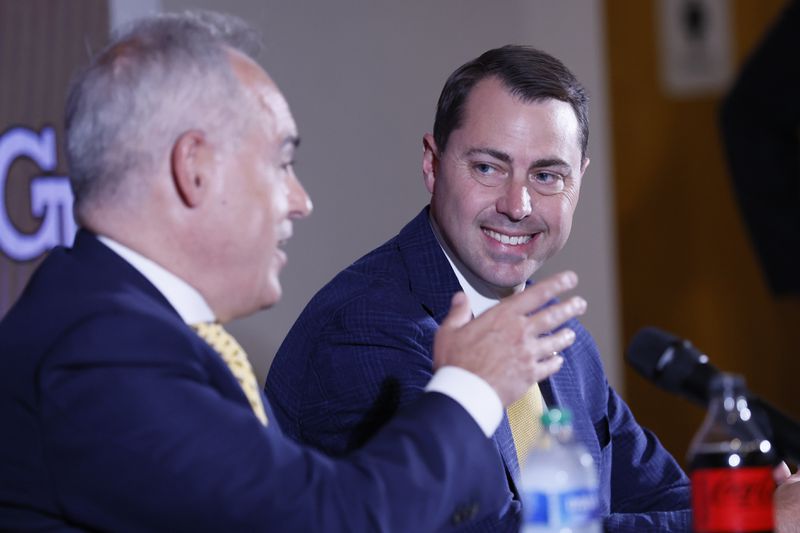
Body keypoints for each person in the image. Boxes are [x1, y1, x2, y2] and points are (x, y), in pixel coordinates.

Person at [0, 13, 590, 531]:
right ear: (195, 168)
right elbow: (319, 521)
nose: (300, 200)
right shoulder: (102, 350)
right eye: (282, 161)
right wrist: (473, 388)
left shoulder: (124, 328)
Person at [267, 45, 692, 531]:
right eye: (488, 168)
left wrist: (763, 505)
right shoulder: (362, 331)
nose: (518, 205)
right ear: (432, 164)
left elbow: (657, 493)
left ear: (579, 181)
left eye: (548, 175)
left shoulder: (563, 336)